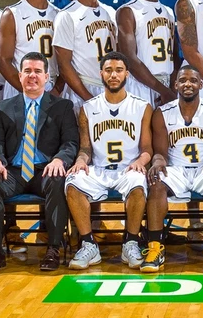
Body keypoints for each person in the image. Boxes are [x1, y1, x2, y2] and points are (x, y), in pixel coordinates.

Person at [0, 52, 77, 272]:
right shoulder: (4, 107)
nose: (32, 76)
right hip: (14, 170)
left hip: (45, 170)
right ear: (20, 76)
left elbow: (70, 142)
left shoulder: (62, 107)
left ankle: (53, 248)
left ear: (47, 76)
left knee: (58, 180)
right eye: (28, 71)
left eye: (38, 71)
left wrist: (60, 160)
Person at [64, 52, 154, 271]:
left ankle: (130, 242)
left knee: (137, 183)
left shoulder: (142, 107)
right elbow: (86, 147)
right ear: (101, 74)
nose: (114, 75)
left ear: (127, 74)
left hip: (127, 169)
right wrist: (80, 160)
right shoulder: (87, 108)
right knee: (72, 182)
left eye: (119, 70)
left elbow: (147, 149)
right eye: (109, 70)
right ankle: (88, 244)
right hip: (100, 169)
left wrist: (141, 161)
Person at [145, 67, 203, 273]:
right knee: (156, 185)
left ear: (201, 85)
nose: (187, 84)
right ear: (175, 85)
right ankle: (155, 248)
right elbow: (160, 153)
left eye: (193, 80)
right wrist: (157, 162)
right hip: (176, 168)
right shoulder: (162, 113)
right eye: (182, 80)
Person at [53, 0, 118, 113]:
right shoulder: (67, 15)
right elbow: (64, 65)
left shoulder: (110, 12)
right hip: (81, 90)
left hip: (110, 87)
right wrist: (89, 98)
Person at [116, 0, 177, 105]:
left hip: (166, 84)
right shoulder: (128, 11)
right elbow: (130, 58)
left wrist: (172, 88)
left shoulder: (168, 12)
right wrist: (163, 91)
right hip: (140, 84)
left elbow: (174, 56)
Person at [0, 0, 58, 97]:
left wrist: (57, 89)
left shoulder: (59, 15)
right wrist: (28, 90)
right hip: (20, 87)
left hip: (51, 86)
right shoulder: (12, 14)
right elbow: (3, 61)